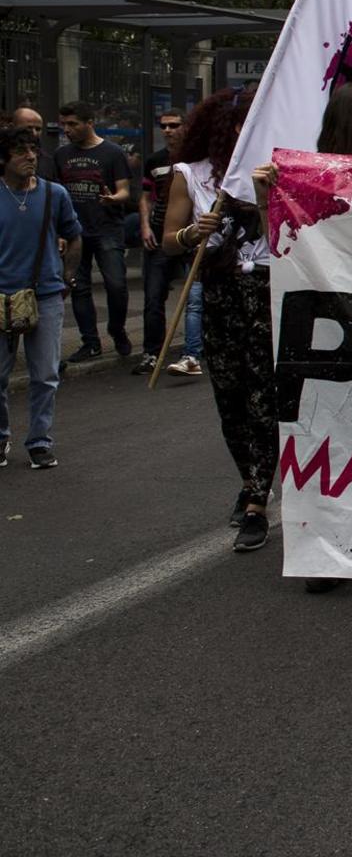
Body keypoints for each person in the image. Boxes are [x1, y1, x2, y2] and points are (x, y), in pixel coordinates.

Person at [161, 88, 280, 552]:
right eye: (238, 125)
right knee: (229, 398)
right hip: (220, 294)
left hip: (266, 293)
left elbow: (292, 237)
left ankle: (256, 501)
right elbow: (171, 240)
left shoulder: (273, 172)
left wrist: (269, 198)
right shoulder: (188, 176)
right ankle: (250, 479)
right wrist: (194, 232)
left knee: (262, 397)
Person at [0, 126, 82, 468]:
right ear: (3, 159)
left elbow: (74, 235)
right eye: (21, 152)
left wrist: (68, 276)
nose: (31, 157)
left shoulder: (55, 194)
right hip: (0, 296)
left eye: (33, 150)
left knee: (45, 374)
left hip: (45, 293)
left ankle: (39, 441)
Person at [54, 101, 133, 360]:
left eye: (73, 124)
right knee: (79, 286)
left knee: (116, 285)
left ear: (90, 123)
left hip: (107, 229)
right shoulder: (62, 156)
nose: (67, 129)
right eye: (64, 124)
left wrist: (114, 198)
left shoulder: (113, 153)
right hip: (75, 231)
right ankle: (90, 342)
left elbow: (125, 191)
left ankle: (117, 329)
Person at [137, 108, 204, 378]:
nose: (167, 130)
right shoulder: (155, 160)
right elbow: (145, 196)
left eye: (174, 125)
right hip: (161, 234)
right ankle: (152, 353)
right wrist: (144, 226)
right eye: (163, 125)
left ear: (185, 127)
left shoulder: (196, 160)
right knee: (153, 296)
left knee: (195, 298)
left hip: (193, 236)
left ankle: (192, 353)